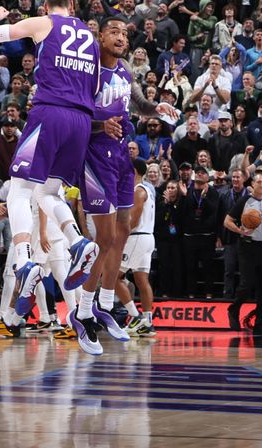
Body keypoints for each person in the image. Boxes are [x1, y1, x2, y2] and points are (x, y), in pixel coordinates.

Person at [0, 0, 100, 337]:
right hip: (81, 121)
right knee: (48, 194)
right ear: (73, 5)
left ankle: (25, 260)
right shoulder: (89, 37)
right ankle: (78, 241)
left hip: (50, 113)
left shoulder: (43, 23)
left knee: (17, 191)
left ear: (47, 5)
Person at [72, 18, 177, 354]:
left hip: (119, 156)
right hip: (93, 156)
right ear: (99, 36)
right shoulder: (87, 71)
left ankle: (104, 303)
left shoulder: (125, 72)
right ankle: (83, 308)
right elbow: (74, 117)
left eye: (125, 33)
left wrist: (155, 108)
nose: (120, 36)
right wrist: (103, 125)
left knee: (124, 229)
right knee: (103, 238)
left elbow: (138, 104)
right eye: (114, 31)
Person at [223, 167, 262, 335]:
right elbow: (227, 221)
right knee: (247, 284)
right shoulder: (245, 202)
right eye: (259, 182)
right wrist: (240, 231)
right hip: (247, 245)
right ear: (253, 183)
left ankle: (260, 323)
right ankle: (234, 308)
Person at [117, 159, 157, 337]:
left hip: (137, 237)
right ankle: (147, 322)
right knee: (142, 280)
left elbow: (134, 220)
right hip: (147, 238)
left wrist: (118, 235)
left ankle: (135, 317)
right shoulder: (148, 190)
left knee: (112, 278)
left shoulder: (138, 191)